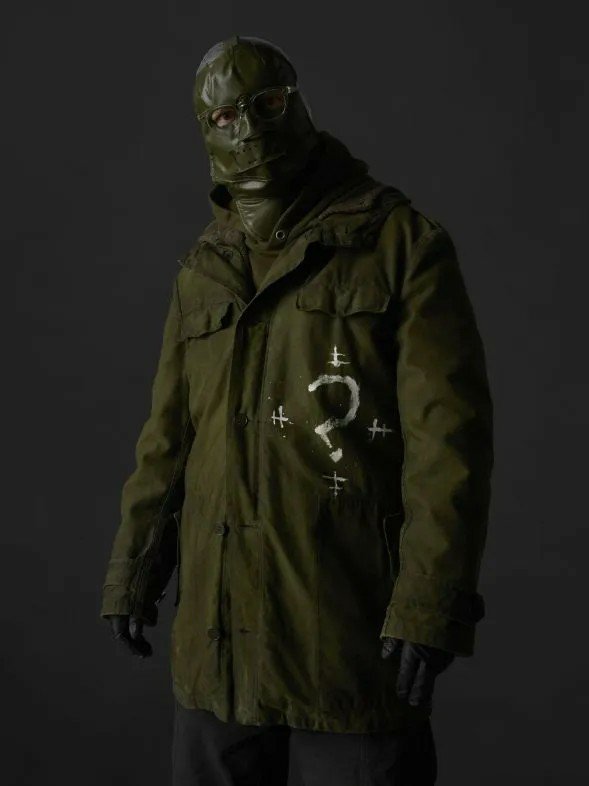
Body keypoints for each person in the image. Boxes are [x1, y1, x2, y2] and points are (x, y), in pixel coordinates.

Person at [100, 34, 494, 785]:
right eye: (225, 117)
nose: (248, 128)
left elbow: (450, 444)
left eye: (267, 104)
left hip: (344, 639)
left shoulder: (399, 246)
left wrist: (430, 603)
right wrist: (135, 566)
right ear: (205, 129)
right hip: (216, 649)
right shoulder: (204, 267)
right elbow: (168, 437)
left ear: (298, 102)